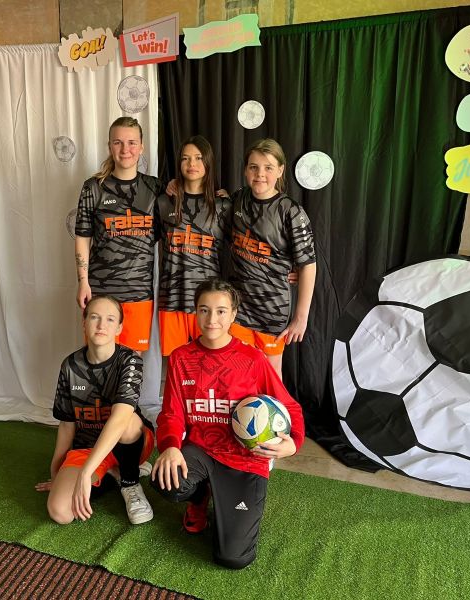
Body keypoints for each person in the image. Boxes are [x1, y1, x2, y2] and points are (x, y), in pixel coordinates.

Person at [151, 278, 305, 569]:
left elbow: (290, 406)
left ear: (233, 314)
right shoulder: (181, 358)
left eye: (221, 311)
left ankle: (227, 498)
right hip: (201, 450)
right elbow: (171, 413)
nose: (212, 319)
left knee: (233, 558)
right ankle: (199, 499)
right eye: (204, 310)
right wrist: (170, 446)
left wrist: (293, 444)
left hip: (244, 459)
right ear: (196, 312)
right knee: (165, 480)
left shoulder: (252, 358)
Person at [35, 295, 155, 525]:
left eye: (110, 319)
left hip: (127, 443)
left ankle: (129, 481)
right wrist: (56, 473)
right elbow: (67, 425)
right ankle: (111, 473)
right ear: (84, 323)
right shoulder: (70, 366)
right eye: (94, 317)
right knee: (60, 512)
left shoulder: (130, 360)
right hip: (87, 447)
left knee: (127, 421)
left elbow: (120, 420)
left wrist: (85, 472)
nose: (101, 325)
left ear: (119, 327)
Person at [228, 138, 316, 379]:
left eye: (268, 167)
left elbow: (308, 265)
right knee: (237, 374)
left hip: (272, 308)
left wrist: (301, 318)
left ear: (280, 170)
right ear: (245, 170)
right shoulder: (237, 199)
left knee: (270, 376)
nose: (260, 174)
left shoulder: (291, 211)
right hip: (238, 308)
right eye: (253, 167)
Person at [74, 116, 163, 353]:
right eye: (118, 142)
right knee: (99, 359)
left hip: (139, 294)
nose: (125, 149)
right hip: (101, 292)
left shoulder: (155, 188)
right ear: (109, 146)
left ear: (142, 147)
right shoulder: (93, 187)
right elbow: (83, 237)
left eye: (132, 143)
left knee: (131, 363)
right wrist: (83, 281)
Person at [157, 136, 231, 356]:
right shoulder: (164, 202)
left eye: (198, 158)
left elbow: (244, 247)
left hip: (209, 303)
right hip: (171, 299)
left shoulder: (223, 206)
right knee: (176, 365)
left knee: (209, 364)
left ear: (208, 162)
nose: (192, 164)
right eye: (185, 158)